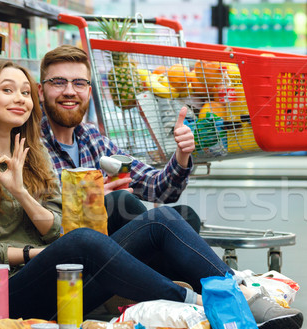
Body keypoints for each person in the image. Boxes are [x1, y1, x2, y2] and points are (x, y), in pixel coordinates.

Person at [0, 59, 303, 329]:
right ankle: (204, 306)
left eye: (23, 92)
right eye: (8, 90)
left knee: (162, 220)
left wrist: (22, 192)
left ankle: (238, 292)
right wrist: (46, 251)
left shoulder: (33, 154)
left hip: (66, 279)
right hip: (8, 293)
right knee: (86, 237)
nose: (19, 99)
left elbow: (55, 230)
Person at [38, 45, 200, 234]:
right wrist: (92, 204)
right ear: (41, 92)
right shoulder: (31, 147)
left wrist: (182, 154)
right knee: (120, 203)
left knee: (185, 217)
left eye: (79, 83)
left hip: (111, 250)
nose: (69, 91)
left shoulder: (92, 140)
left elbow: (159, 189)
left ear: (89, 93)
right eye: (58, 82)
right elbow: (38, 223)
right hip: (70, 253)